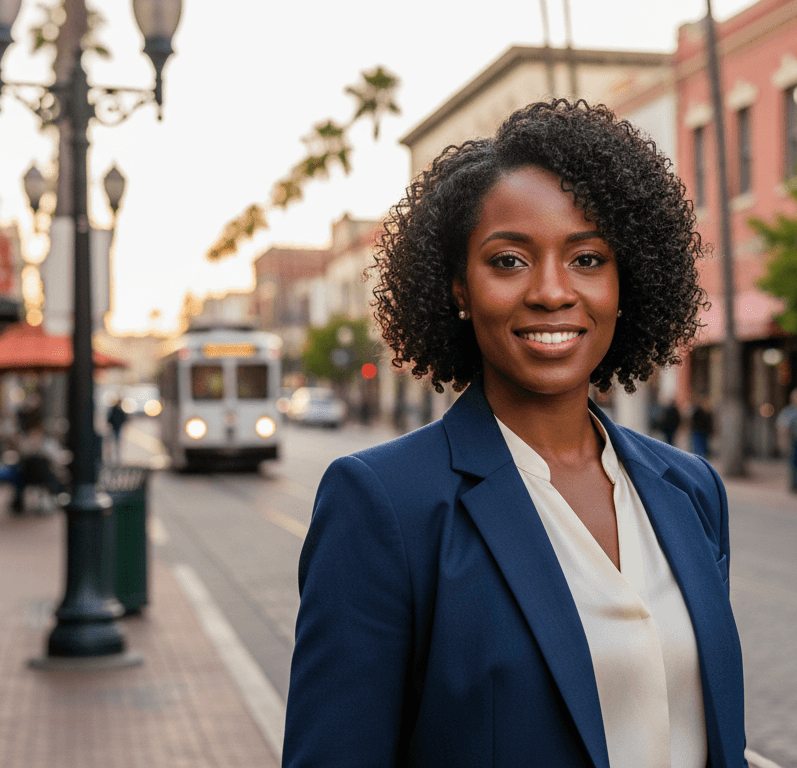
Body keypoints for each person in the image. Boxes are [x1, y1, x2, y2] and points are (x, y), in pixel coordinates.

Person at [284, 100, 746, 768]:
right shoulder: (384, 505)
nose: (553, 291)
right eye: (508, 261)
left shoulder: (692, 490)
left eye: (588, 258)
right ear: (459, 289)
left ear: (627, 281)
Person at [106, 398, 128, 465]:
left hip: (115, 427)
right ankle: (113, 455)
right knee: (114, 441)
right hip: (114, 427)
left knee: (115, 441)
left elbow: (124, 418)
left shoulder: (116, 410)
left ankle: (114, 455)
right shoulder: (115, 409)